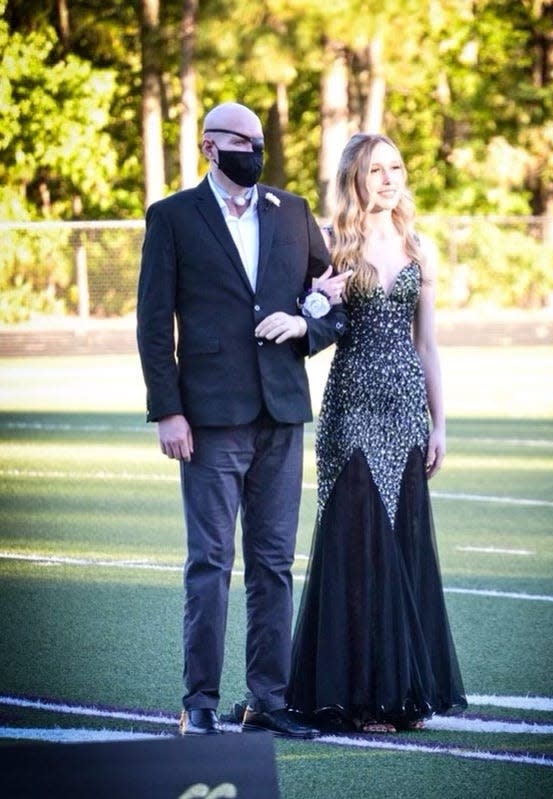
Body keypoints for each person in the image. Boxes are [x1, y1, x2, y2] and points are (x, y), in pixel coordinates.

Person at [136, 102, 350, 739]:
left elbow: (336, 296)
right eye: (242, 141)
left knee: (274, 563)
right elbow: (153, 324)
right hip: (207, 421)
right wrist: (167, 410)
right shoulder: (172, 216)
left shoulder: (294, 212)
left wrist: (307, 326)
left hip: (281, 414)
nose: (255, 150)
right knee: (209, 561)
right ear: (209, 146)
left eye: (260, 140)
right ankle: (198, 701)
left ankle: (268, 700)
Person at [286, 133, 468, 733]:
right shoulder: (334, 245)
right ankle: (357, 697)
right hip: (351, 412)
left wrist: (440, 423)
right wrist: (313, 302)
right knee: (359, 549)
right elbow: (317, 328)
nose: (389, 180)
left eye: (396, 168)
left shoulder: (420, 248)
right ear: (354, 179)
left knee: (402, 546)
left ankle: (401, 694)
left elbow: (428, 346)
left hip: (406, 414)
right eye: (375, 170)